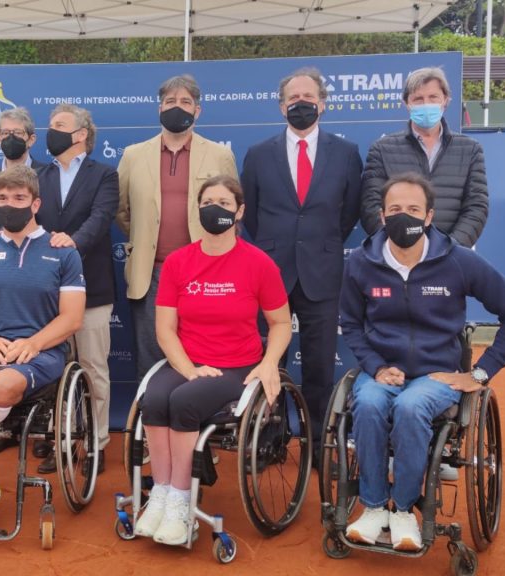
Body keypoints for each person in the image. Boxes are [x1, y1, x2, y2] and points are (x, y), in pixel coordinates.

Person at [340, 173, 505, 551]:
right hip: (382, 369)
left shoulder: (458, 261)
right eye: (395, 209)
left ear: (429, 216)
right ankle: (374, 507)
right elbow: (350, 323)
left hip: (435, 372)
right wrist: (376, 365)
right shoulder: (361, 262)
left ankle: (403, 510)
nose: (404, 216)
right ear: (382, 216)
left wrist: (480, 372)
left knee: (412, 408)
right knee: (366, 403)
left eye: (413, 209)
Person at [133, 175, 291, 545]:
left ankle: (180, 503)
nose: (214, 209)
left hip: (236, 365)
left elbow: (281, 322)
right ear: (197, 210)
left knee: (184, 402)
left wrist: (269, 364)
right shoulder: (177, 262)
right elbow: (165, 330)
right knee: (154, 400)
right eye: (206, 203)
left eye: (223, 203)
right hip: (187, 361)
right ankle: (161, 493)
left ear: (239, 212)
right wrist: (189, 369)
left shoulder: (258, 263)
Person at [0, 164, 86, 533]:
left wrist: (33, 343)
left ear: (35, 203)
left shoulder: (63, 252)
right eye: (3, 198)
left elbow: (71, 319)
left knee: (3, 387)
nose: (10, 205)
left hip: (41, 351)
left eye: (19, 198)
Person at [239, 67, 363, 459]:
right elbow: (251, 215)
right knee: (267, 359)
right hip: (270, 272)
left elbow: (350, 214)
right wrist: (276, 247)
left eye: (308, 98)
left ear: (323, 104)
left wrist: (320, 245)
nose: (301, 104)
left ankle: (315, 446)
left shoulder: (346, 154)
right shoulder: (259, 155)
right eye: (293, 99)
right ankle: (269, 440)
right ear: (281, 107)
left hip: (322, 272)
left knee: (319, 365)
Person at [116, 74, 238, 384]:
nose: (177, 107)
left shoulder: (219, 155)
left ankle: (196, 423)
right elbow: (121, 210)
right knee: (151, 359)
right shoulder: (133, 155)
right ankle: (149, 428)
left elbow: (232, 210)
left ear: (198, 111)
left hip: (205, 273)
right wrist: (145, 238)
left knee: (203, 356)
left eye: (185, 102)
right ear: (159, 109)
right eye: (170, 101)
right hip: (151, 273)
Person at [31, 103, 118, 474]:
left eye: (59, 125)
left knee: (94, 368)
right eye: (50, 125)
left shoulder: (104, 175)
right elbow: (29, 221)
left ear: (81, 134)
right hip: (48, 290)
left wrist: (72, 242)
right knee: (55, 370)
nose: (52, 130)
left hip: (93, 288)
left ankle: (96, 443)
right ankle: (61, 440)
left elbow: (100, 219)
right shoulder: (39, 176)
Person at [361, 67, 488, 247]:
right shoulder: (382, 149)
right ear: (407, 104)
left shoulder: (470, 149)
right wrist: (400, 245)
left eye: (433, 97)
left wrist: (450, 248)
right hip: (398, 257)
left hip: (451, 258)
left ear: (445, 100)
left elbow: (476, 207)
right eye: (418, 99)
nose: (426, 104)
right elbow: (371, 206)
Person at [0, 107, 44, 236]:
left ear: (31, 139)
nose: (11, 138)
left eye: (18, 132)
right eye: (5, 133)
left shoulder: (47, 175)